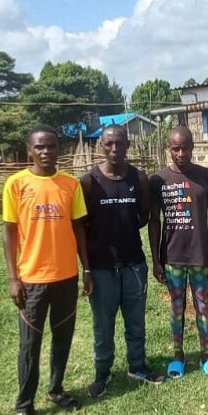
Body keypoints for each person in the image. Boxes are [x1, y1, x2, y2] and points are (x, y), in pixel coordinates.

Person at [2, 125, 93, 415]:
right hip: (32, 280)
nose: (46, 152)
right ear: (30, 150)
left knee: (62, 338)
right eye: (39, 147)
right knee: (30, 345)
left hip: (66, 277)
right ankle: (23, 407)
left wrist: (87, 269)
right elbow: (9, 232)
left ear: (59, 149)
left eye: (51, 146)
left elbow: (79, 228)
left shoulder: (70, 184)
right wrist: (13, 278)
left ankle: (56, 389)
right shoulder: (16, 184)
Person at [80, 125, 165, 398]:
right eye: (109, 143)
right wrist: (87, 268)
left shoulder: (139, 179)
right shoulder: (88, 182)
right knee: (103, 326)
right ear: (101, 146)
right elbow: (81, 226)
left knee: (136, 323)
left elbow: (143, 217)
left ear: (129, 144)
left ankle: (138, 366)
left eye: (120, 143)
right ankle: (102, 373)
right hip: (101, 267)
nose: (114, 148)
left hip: (133, 265)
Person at [148, 125, 208, 379]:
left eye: (185, 148)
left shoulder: (206, 176)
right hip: (172, 257)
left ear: (193, 147)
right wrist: (156, 259)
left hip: (200, 255)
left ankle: (206, 356)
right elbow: (154, 221)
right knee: (177, 307)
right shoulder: (158, 180)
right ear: (168, 149)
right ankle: (178, 356)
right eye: (176, 148)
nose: (181, 153)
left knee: (202, 306)